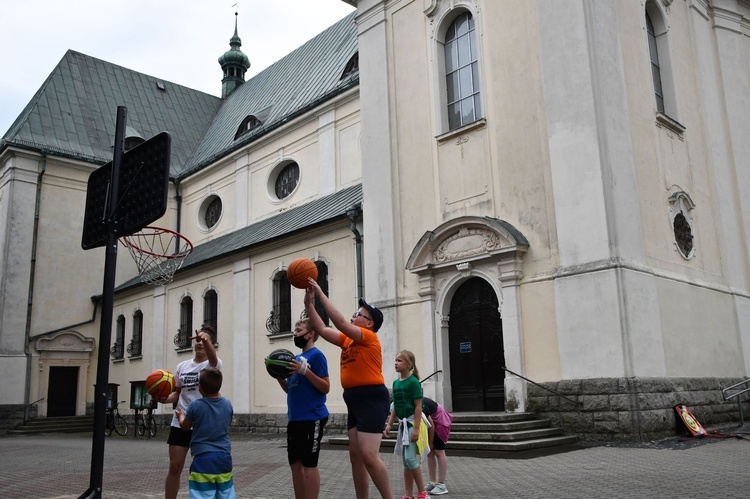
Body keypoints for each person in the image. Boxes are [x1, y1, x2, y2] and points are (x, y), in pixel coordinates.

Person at [304, 279, 394, 499]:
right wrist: (309, 304)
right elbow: (323, 330)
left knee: (369, 455)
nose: (354, 316)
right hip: (354, 399)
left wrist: (320, 294)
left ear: (370, 323)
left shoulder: (369, 338)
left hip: (371, 397)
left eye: (359, 314)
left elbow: (342, 323)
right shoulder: (348, 342)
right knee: (355, 457)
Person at [159, 326, 222, 499]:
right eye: (198, 341)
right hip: (180, 421)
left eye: (204, 341)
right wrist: (163, 399)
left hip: (203, 424)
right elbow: (177, 394)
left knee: (205, 468)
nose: (200, 343)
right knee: (175, 466)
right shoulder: (182, 366)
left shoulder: (212, 364)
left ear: (211, 344)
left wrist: (206, 340)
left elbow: (214, 359)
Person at [276, 318, 331, 499]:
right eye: (294, 331)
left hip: (312, 417)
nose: (295, 334)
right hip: (295, 418)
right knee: (295, 464)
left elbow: (325, 387)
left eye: (298, 330)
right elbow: (290, 388)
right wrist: (278, 376)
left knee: (309, 464)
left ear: (310, 334)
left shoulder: (317, 356)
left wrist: (305, 371)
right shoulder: (296, 359)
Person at [176, 366, 236, 499]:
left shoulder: (195, 405)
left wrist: (180, 416)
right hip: (224, 458)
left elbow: (185, 427)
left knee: (202, 495)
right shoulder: (227, 404)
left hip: (203, 459)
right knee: (225, 494)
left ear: (200, 388)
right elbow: (228, 422)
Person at [384, 350, 430, 499]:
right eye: (395, 360)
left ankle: (423, 492)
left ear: (409, 365)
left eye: (399, 360)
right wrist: (390, 424)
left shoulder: (414, 382)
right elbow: (396, 406)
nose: (396, 363)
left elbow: (418, 406)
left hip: (412, 424)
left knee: (410, 459)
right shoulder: (396, 383)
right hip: (403, 426)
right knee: (405, 462)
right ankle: (408, 494)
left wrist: (416, 428)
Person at [421, 397, 452, 496]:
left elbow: (431, 425)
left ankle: (441, 485)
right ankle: (432, 482)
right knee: (430, 453)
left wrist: (430, 442)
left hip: (440, 422)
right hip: (431, 423)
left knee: (439, 452)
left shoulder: (420, 405)